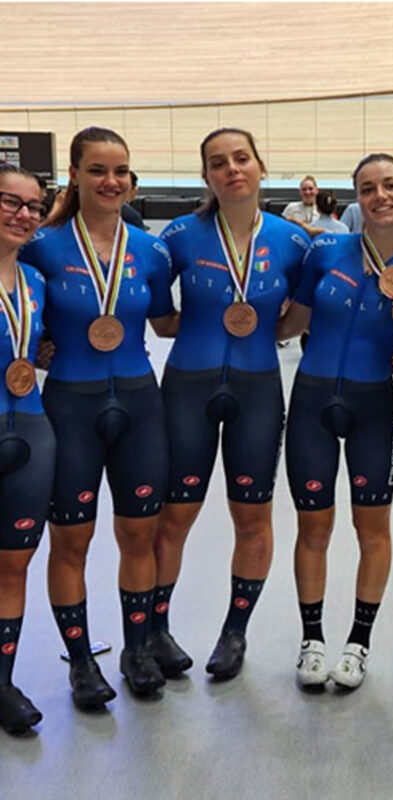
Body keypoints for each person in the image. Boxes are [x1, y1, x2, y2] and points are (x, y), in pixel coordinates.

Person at [21, 126, 178, 708]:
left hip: (139, 404)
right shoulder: (42, 246)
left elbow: (165, 321)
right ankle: (82, 662)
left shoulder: (151, 251)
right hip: (70, 405)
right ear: (74, 176)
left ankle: (138, 650)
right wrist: (33, 350)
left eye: (120, 171)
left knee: (140, 534)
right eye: (97, 170)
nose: (111, 181)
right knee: (72, 541)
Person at [155, 127, 309, 681]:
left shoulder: (293, 241)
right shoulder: (177, 236)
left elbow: (299, 318)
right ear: (206, 176)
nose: (231, 169)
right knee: (174, 516)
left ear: (260, 166)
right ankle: (154, 628)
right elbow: (156, 316)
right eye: (218, 163)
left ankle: (235, 631)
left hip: (257, 389)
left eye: (241, 158)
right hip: (187, 388)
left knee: (252, 516)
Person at [278, 153, 393, 689]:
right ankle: (312, 640)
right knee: (313, 527)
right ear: (356, 198)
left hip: (374, 408)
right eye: (368, 188)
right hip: (312, 402)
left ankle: (358, 644)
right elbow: (291, 322)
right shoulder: (325, 251)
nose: (380, 196)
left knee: (372, 528)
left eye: (390, 185)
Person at [0, 165, 56, 734]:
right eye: (10, 202)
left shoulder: (34, 280)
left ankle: (2, 682)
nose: (24, 215)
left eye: (34, 206)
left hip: (30, 428)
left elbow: (35, 345)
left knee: (13, 564)